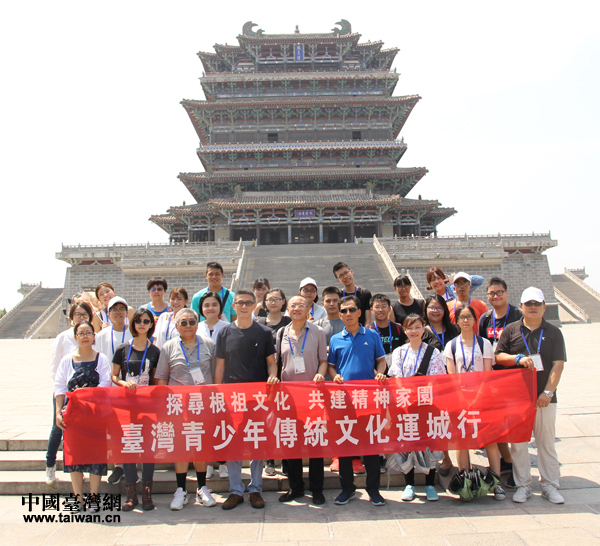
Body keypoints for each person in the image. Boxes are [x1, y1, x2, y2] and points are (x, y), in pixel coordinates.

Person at [495, 287, 566, 504]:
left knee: (546, 443)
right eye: (529, 304)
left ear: (544, 307)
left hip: (544, 399)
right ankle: (523, 485)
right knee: (518, 445)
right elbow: (499, 356)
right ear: (522, 307)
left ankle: (550, 485)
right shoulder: (511, 330)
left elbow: (558, 365)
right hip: (517, 398)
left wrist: (548, 392)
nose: (533, 307)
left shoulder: (553, 332)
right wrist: (517, 358)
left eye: (537, 303)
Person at [215, 290, 279, 510]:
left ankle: (255, 489)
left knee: (256, 441)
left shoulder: (263, 332)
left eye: (248, 303)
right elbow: (220, 367)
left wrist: (273, 375)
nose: (244, 306)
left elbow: (271, 362)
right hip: (232, 397)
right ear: (233, 305)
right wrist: (218, 394)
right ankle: (235, 490)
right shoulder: (224, 332)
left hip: (257, 397)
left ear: (254, 305)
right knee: (233, 442)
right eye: (240, 303)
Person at [155, 308, 218, 510]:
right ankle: (180, 490)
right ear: (176, 326)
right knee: (181, 449)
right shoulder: (168, 347)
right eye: (183, 323)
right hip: (178, 409)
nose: (188, 326)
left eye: (192, 322)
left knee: (200, 447)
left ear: (198, 324)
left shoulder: (209, 344)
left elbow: (216, 374)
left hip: (202, 407)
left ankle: (202, 487)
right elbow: (161, 378)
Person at [327, 295, 387, 507]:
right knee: (345, 447)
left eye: (352, 310)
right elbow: (331, 366)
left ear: (360, 312)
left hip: (368, 399)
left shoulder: (371, 335)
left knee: (371, 447)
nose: (348, 314)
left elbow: (381, 361)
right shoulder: (336, 339)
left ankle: (373, 489)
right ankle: (347, 488)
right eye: (344, 311)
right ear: (340, 315)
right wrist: (335, 376)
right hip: (345, 400)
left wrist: (380, 373)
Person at [444, 304, 505, 501]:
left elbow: (487, 375)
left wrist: (478, 398)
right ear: (457, 321)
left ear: (474, 320)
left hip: (483, 398)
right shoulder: (451, 345)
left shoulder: (484, 344)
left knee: (489, 440)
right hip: (460, 400)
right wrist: (462, 399)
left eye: (469, 317)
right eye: (462, 317)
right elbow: (452, 377)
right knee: (462, 442)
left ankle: (496, 483)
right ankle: (466, 483)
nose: (465, 320)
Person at [275, 295, 329, 505]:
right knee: (292, 443)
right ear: (287, 309)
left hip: (312, 396)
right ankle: (295, 487)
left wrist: (320, 375)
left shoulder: (318, 331)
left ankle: (317, 489)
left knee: (315, 442)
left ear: (308, 308)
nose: (297, 309)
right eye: (293, 306)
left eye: (301, 305)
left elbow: (323, 361)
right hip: (288, 397)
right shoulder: (281, 333)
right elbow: (278, 363)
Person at [54, 320, 112, 512]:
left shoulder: (101, 359)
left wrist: (86, 396)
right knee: (75, 458)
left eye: (88, 333)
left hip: (95, 417)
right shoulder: (67, 361)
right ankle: (78, 498)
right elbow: (60, 387)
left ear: (94, 336)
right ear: (75, 337)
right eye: (81, 333)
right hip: (73, 417)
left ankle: (94, 498)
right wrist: (58, 412)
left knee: (96, 457)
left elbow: (105, 384)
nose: (85, 336)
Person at [387, 315, 446, 502]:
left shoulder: (433, 352)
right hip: (405, 405)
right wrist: (406, 394)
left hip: (428, 405)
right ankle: (409, 484)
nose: (414, 331)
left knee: (430, 445)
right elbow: (395, 375)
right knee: (407, 444)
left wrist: (419, 394)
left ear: (424, 328)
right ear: (404, 330)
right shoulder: (399, 352)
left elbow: (436, 379)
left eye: (417, 327)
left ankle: (430, 484)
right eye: (409, 328)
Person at [112, 308, 161, 511]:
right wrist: (124, 383)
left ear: (151, 325)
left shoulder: (155, 351)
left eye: (146, 321)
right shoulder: (123, 348)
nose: (142, 324)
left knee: (148, 449)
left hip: (147, 405)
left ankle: (147, 494)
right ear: (133, 323)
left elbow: (157, 379)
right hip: (127, 404)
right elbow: (114, 375)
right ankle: (131, 495)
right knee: (129, 447)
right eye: (139, 320)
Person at [45, 301, 94, 486]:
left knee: (83, 432)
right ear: (71, 318)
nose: (81, 318)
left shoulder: (93, 336)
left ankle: (82, 467)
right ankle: (50, 465)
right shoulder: (63, 338)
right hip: (66, 394)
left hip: (86, 397)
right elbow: (55, 368)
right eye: (77, 314)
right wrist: (67, 389)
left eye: (84, 315)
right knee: (58, 428)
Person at [478, 277, 522, 477]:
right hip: (493, 379)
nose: (495, 296)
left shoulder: (518, 315)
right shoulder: (485, 319)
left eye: (499, 292)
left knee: (515, 426)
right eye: (492, 293)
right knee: (496, 424)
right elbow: (481, 346)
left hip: (515, 378)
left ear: (506, 293)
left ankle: (519, 468)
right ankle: (507, 461)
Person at [95, 296, 134, 486]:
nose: (118, 312)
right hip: (109, 389)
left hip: (131, 388)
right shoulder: (101, 336)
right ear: (108, 314)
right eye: (114, 309)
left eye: (121, 309)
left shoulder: (134, 332)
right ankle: (119, 465)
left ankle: (132, 464)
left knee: (132, 427)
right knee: (116, 429)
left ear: (127, 312)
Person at [256, 287, 291, 477]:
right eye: (270, 299)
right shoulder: (260, 323)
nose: (274, 302)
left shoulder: (290, 322)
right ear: (265, 303)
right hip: (265, 377)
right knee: (267, 420)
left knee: (285, 420)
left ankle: (286, 460)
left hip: (285, 377)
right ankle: (268, 460)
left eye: (277, 299)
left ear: (284, 301)